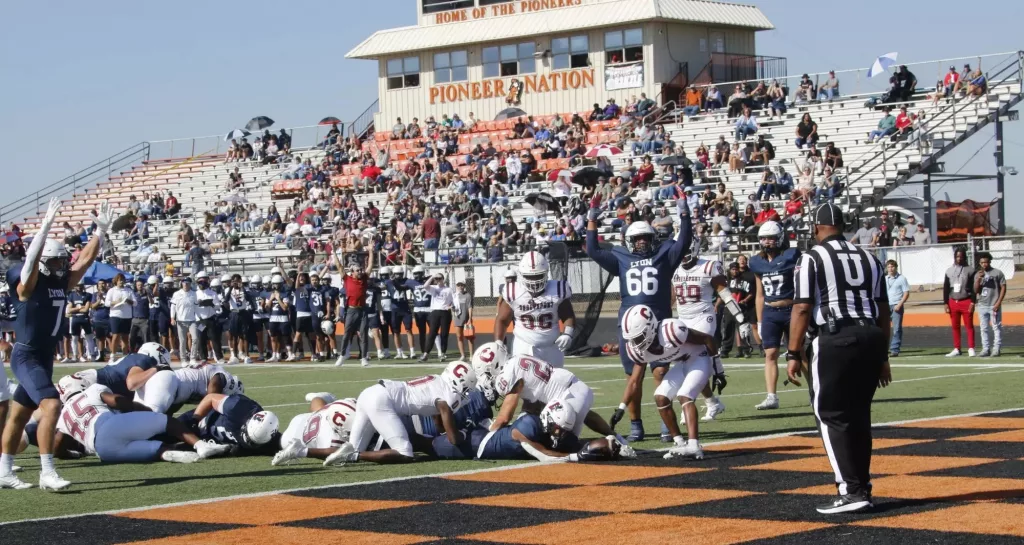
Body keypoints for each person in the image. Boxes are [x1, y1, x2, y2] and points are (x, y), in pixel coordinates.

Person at [0, 198, 111, 491]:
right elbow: (30, 266)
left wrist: (99, 232)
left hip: (45, 356)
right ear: (43, 264)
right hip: (27, 356)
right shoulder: (28, 285)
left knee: (20, 413)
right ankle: (47, 471)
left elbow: (84, 261)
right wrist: (44, 228)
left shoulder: (60, 282)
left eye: (64, 261)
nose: (63, 266)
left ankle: (3, 471)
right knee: (51, 405)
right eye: (57, 262)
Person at [787, 203, 891, 514]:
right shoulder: (870, 258)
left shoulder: (812, 258)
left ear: (816, 227)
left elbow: (802, 308)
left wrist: (793, 352)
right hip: (871, 336)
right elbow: (883, 311)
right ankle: (862, 487)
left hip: (836, 337)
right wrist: (883, 355)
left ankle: (850, 491)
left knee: (830, 415)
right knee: (859, 416)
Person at [585, 196, 693, 441]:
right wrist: (592, 216)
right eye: (637, 238)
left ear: (653, 238)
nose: (642, 242)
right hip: (631, 327)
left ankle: (667, 424)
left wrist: (683, 211)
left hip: (660, 324)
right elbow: (592, 249)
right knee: (634, 376)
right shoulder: (621, 257)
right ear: (629, 241)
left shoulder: (665, 254)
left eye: (646, 237)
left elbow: (685, 240)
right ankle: (636, 425)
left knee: (661, 372)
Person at [320, 361, 476, 465]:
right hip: (382, 401)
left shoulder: (438, 380)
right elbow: (454, 440)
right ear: (461, 381)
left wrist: (442, 432)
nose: (467, 392)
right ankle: (353, 455)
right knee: (404, 452)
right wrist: (463, 433)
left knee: (352, 447)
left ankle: (303, 451)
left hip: (369, 393)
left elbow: (437, 417)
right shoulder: (450, 395)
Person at [53, 377, 230, 464]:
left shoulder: (63, 416)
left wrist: (72, 454)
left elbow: (58, 446)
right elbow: (116, 401)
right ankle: (201, 445)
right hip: (108, 426)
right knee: (164, 420)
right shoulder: (90, 391)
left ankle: (168, 454)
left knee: (157, 449)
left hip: (103, 452)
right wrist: (142, 409)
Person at [616, 305, 717, 458]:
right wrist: (621, 408)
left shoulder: (671, 331)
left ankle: (694, 445)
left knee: (685, 395)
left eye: (638, 337)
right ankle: (679, 443)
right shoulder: (638, 351)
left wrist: (718, 368)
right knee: (660, 396)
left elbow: (706, 338)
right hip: (683, 363)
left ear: (650, 328)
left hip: (699, 358)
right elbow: (634, 381)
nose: (635, 343)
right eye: (632, 339)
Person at [671, 247, 746, 423]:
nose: (683, 254)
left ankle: (689, 400)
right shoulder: (673, 267)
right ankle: (712, 401)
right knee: (688, 363)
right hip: (683, 318)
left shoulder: (709, 266)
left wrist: (741, 319)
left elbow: (726, 295)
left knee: (696, 357)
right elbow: (672, 297)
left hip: (704, 316)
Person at [749, 221, 801, 411]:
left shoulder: (791, 256)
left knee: (799, 352)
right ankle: (772, 396)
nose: (767, 242)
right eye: (764, 238)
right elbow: (759, 294)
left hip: (790, 309)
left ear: (780, 238)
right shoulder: (756, 262)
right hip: (770, 311)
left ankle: (815, 391)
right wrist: (760, 320)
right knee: (770, 353)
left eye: (771, 237)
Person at [493, 251, 575, 367]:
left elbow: (568, 315)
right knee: (523, 382)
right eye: (530, 276)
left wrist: (568, 334)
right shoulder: (513, 292)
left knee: (555, 383)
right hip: (523, 345)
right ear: (521, 275)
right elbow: (502, 320)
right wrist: (499, 343)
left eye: (538, 276)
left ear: (546, 273)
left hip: (551, 346)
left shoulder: (557, 290)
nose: (534, 281)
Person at [338, 252, 374, 367]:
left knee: (363, 334)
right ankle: (342, 355)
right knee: (347, 333)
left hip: (362, 310)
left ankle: (363, 357)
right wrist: (334, 251)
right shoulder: (347, 279)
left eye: (360, 270)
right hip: (351, 310)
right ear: (352, 272)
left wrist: (371, 251)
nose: (360, 272)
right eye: (357, 270)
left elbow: (371, 265)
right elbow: (339, 266)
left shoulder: (363, 279)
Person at [943, 248, 976, 358]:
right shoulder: (949, 271)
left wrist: (973, 302)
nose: (959, 258)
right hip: (953, 301)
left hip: (966, 300)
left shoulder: (970, 270)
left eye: (961, 256)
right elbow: (946, 288)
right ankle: (957, 348)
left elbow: (974, 288)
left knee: (969, 326)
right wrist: (945, 303)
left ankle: (971, 348)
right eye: (957, 256)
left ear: (964, 257)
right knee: (955, 326)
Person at [973, 252, 1005, 357]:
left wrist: (998, 302)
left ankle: (996, 348)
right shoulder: (978, 274)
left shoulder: (997, 273)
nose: (984, 264)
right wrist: (978, 279)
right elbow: (976, 290)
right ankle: (986, 349)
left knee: (996, 327)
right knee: (983, 328)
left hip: (993, 304)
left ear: (989, 262)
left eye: (986, 262)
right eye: (982, 262)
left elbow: (1003, 288)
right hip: (982, 304)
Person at [418, 271, 454, 362]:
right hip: (435, 312)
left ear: (443, 279)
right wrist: (432, 276)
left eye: (439, 279)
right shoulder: (434, 288)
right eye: (436, 279)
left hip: (445, 312)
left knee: (444, 333)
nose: (438, 280)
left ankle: (442, 353)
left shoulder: (448, 289)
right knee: (432, 333)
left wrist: (451, 306)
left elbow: (453, 300)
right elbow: (425, 286)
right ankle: (426, 353)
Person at [105, 273, 135, 362]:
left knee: (125, 337)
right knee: (116, 336)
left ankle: (125, 355)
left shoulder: (128, 290)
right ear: (116, 281)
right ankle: (113, 355)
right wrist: (115, 302)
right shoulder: (111, 291)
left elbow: (135, 302)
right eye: (119, 280)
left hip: (127, 316)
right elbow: (107, 303)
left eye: (122, 280)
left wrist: (129, 301)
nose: (121, 281)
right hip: (115, 315)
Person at [885, 260, 910, 357]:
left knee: (896, 328)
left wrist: (899, 304)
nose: (890, 269)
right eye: (888, 267)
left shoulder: (901, 279)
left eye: (892, 267)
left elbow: (906, 293)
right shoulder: (885, 279)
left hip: (896, 305)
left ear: (896, 267)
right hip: (887, 305)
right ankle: (884, 348)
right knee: (884, 328)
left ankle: (895, 349)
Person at [452, 281, 474, 361]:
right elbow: (452, 306)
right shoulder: (454, 295)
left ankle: (471, 355)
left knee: (469, 337)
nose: (460, 287)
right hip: (457, 318)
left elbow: (470, 307)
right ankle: (463, 355)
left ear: (464, 286)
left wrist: (470, 318)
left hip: (466, 318)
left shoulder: (467, 295)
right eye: (458, 285)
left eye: (462, 285)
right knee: (459, 337)